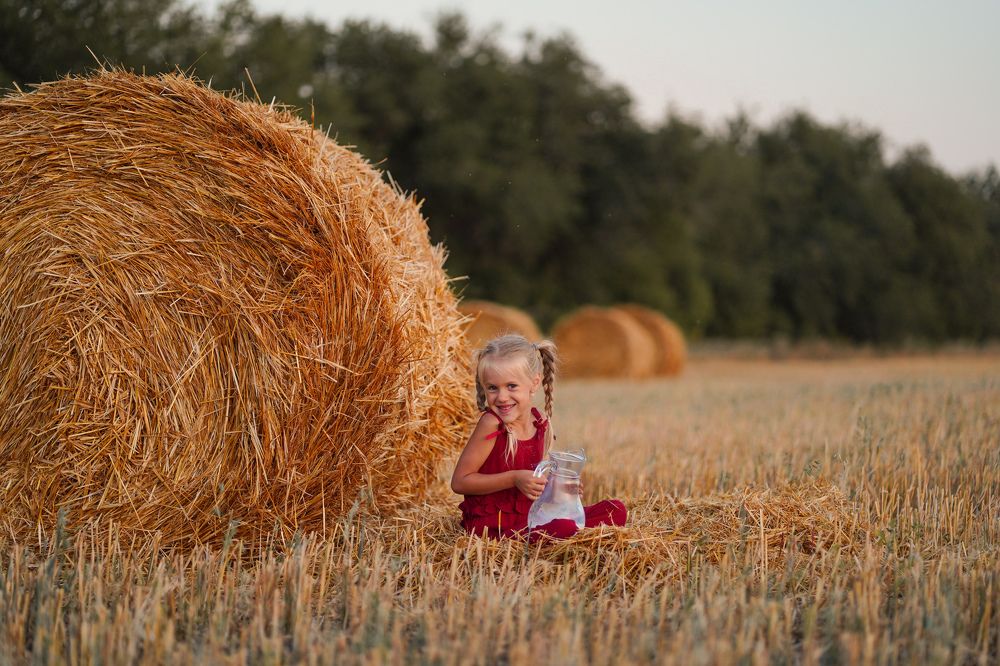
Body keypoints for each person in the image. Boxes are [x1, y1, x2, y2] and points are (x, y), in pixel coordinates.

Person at [451, 334, 627, 540]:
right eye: (492, 388)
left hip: (531, 514)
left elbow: (536, 476)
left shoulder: (539, 422)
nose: (501, 397)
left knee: (615, 509)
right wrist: (514, 478)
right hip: (494, 523)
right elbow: (460, 482)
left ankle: (561, 531)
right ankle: (562, 533)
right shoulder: (492, 424)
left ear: (534, 383)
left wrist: (560, 488)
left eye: (511, 386)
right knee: (564, 528)